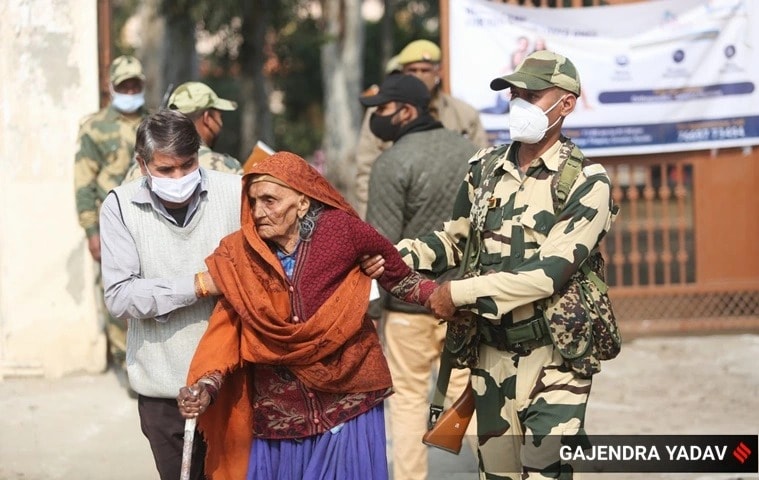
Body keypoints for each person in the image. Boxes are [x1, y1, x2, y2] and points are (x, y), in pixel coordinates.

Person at [361, 50, 618, 478]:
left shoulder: (587, 182)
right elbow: (454, 240)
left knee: (543, 473)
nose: (518, 103)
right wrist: (392, 257)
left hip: (553, 358)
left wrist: (455, 292)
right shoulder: (484, 168)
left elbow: (549, 273)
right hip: (490, 356)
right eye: (514, 94)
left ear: (566, 104)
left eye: (532, 95)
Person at [175, 151, 441, 480]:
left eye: (270, 200)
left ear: (302, 202)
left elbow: (399, 277)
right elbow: (226, 331)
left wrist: (446, 299)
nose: (258, 213)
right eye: (253, 202)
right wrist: (207, 384)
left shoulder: (344, 231)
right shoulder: (239, 255)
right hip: (280, 415)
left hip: (349, 398)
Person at [99, 109, 243, 480]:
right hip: (164, 388)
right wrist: (196, 285)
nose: (179, 177)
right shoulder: (119, 207)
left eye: (188, 164)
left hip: (234, 386)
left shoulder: (236, 192)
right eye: (166, 170)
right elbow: (120, 295)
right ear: (142, 164)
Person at [360, 74, 479, 480]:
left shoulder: (391, 164)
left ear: (407, 111)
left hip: (408, 307)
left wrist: (373, 308)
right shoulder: (473, 153)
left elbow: (380, 248)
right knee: (474, 395)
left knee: (409, 401)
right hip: (466, 301)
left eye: (382, 110)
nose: (376, 118)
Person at [353, 39, 489, 219]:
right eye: (412, 70)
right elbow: (365, 173)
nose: (419, 76)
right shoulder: (382, 113)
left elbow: (483, 166)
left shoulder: (464, 114)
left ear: (438, 72)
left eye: (425, 70)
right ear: (403, 73)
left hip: (455, 214)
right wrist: (371, 224)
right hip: (397, 212)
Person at [74, 54, 149, 370]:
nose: (130, 91)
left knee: (149, 286)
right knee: (116, 291)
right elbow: (83, 181)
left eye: (135, 84)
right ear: (111, 87)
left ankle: (148, 358)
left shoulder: (154, 123)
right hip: (111, 221)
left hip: (148, 218)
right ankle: (124, 359)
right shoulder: (94, 127)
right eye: (124, 85)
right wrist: (91, 231)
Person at [123, 81, 242, 182]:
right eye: (219, 116)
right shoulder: (226, 168)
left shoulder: (141, 170)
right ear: (207, 118)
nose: (220, 123)